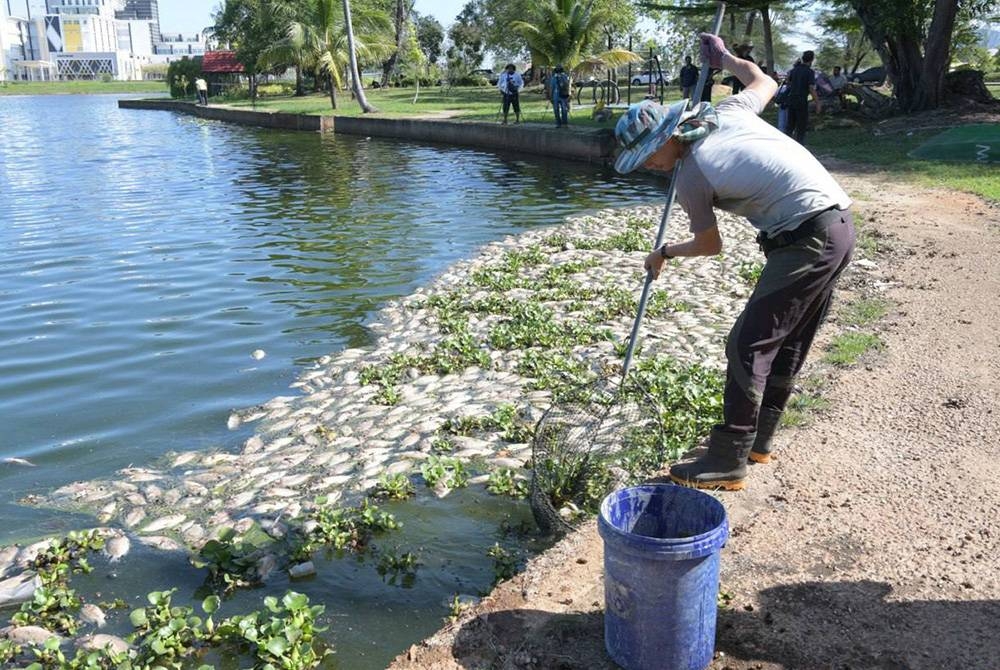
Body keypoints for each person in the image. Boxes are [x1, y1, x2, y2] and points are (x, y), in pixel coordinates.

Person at [612, 33, 854, 491]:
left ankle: (727, 458)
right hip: (836, 225)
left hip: (810, 236)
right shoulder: (726, 111)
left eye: (647, 156)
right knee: (786, 339)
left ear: (668, 138)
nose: (647, 165)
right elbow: (762, 79)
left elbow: (709, 244)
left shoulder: (691, 176)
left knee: (747, 343)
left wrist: (665, 251)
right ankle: (757, 443)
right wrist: (727, 59)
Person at [784, 50, 820, 144]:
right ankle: (800, 145)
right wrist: (817, 103)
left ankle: (786, 144)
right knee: (801, 125)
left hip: (791, 99)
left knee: (790, 124)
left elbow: (788, 82)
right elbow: (811, 88)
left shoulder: (794, 70)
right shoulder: (810, 72)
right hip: (801, 100)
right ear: (811, 60)